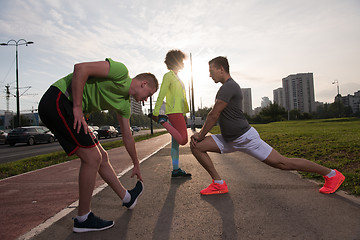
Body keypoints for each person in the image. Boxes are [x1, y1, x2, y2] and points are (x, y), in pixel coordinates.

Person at [190, 56, 345, 195]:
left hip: (245, 138)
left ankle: (331, 174)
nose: (210, 75)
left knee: (283, 163)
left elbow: (213, 115)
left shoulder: (229, 87)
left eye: (211, 71)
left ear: (221, 69)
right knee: (197, 146)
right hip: (229, 139)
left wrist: (201, 134)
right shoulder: (227, 87)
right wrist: (200, 138)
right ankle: (218, 184)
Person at [38, 58, 158, 232]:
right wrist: (78, 107)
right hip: (59, 99)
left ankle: (127, 198)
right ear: (143, 83)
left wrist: (136, 163)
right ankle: (83, 218)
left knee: (101, 157)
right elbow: (81, 69)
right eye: (149, 94)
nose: (146, 100)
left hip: (71, 107)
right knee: (92, 158)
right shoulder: (120, 71)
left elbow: (127, 137)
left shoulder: (124, 105)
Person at [149, 49, 192, 178]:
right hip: (173, 112)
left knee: (175, 143)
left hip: (179, 112)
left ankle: (175, 169)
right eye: (181, 61)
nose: (183, 64)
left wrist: (185, 113)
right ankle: (163, 121)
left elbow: (181, 97)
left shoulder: (178, 77)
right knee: (184, 140)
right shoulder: (168, 76)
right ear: (175, 61)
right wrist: (156, 113)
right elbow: (161, 94)